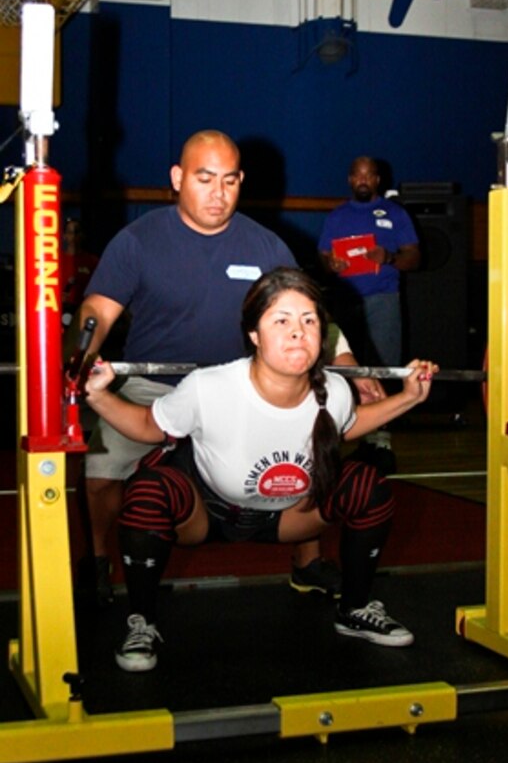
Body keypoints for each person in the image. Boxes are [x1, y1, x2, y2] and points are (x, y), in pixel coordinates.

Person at [79, 130, 382, 606]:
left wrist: (351, 366)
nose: (218, 193)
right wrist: (80, 354)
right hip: (152, 385)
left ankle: (306, 561)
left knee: (310, 456)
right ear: (177, 178)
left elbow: (307, 315)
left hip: (242, 388)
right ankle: (98, 561)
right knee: (101, 471)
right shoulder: (137, 241)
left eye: (229, 180)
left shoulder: (266, 247)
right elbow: (98, 308)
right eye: (204, 179)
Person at [84, 268, 437, 671]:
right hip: (205, 514)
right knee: (147, 491)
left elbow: (348, 425)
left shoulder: (335, 390)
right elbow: (149, 425)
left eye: (309, 321)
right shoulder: (209, 386)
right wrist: (96, 395)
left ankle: (354, 608)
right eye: (281, 321)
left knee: (367, 485)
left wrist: (409, 398)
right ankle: (142, 621)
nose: (298, 332)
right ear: (254, 334)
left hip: (287, 516)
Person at [318, 156, 421, 462]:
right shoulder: (337, 216)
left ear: (378, 180)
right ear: (350, 179)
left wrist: (388, 258)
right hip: (345, 300)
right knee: (344, 370)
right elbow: (323, 256)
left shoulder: (395, 213)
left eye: (369, 175)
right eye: (358, 175)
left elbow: (415, 258)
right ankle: (349, 432)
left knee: (382, 366)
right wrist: (331, 263)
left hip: (383, 299)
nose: (363, 180)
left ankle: (380, 441)